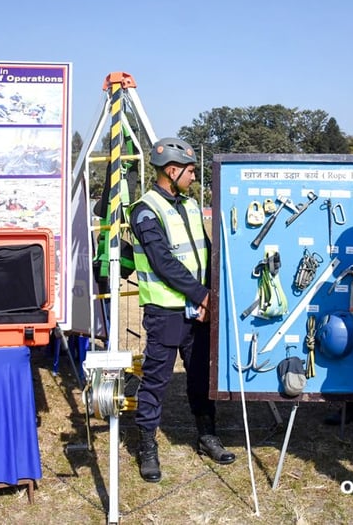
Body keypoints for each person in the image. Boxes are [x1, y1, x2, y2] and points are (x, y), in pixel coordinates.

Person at [129, 137, 235, 483]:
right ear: (171, 171)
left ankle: (207, 435)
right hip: (166, 310)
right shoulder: (145, 210)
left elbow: (202, 253)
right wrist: (203, 296)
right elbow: (163, 263)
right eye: (190, 170)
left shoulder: (189, 205)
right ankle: (147, 446)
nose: (194, 176)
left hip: (197, 310)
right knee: (157, 380)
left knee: (202, 378)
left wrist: (206, 298)